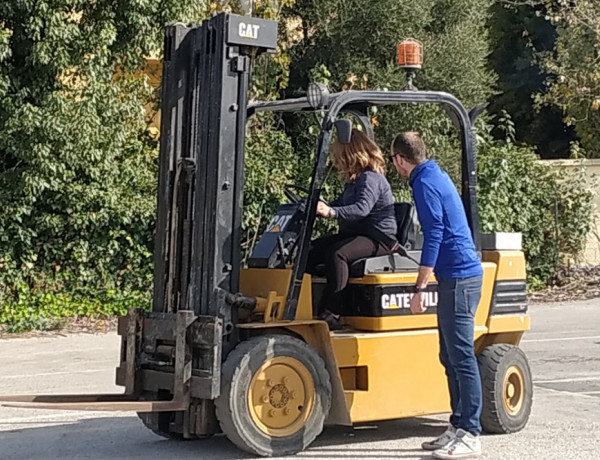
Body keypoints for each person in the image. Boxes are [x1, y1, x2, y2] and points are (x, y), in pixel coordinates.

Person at [390, 132, 484, 459]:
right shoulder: (433, 173)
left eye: (393, 160)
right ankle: (457, 425)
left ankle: (471, 432)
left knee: (461, 358)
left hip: (458, 277)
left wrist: (419, 287)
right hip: (455, 277)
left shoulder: (423, 183)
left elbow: (434, 235)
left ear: (400, 159)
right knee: (449, 357)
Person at [306, 129, 397, 330]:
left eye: (338, 155)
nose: (336, 161)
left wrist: (331, 212)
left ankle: (334, 311)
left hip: (378, 239)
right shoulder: (354, 182)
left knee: (338, 254)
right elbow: (339, 204)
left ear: (350, 154)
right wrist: (320, 206)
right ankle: (304, 306)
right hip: (358, 235)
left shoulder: (371, 179)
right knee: (311, 251)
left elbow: (361, 209)